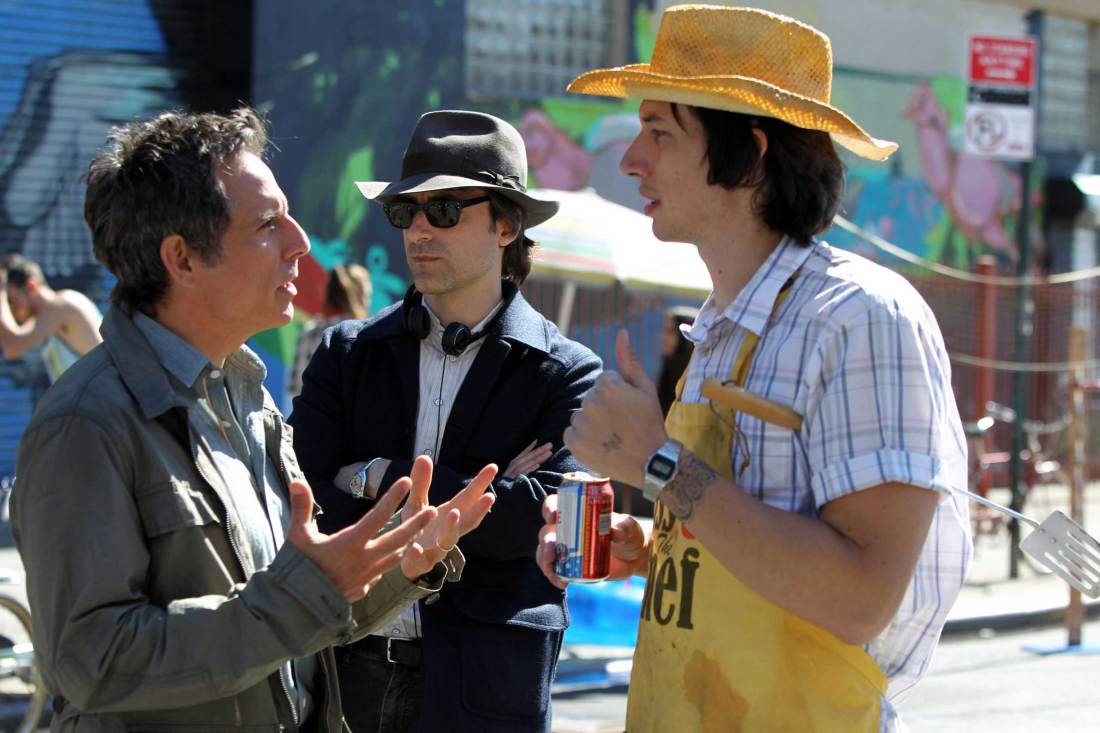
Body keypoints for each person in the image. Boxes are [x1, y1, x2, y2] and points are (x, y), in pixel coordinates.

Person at [535, 6, 972, 733]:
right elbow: (751, 539)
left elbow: (861, 596)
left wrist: (658, 463)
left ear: (752, 153)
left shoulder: (862, 317)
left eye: (660, 130)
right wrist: (652, 552)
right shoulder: (720, 327)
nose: (630, 158)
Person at [11, 107, 498, 732]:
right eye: (269, 224)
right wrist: (308, 590)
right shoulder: (85, 425)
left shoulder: (249, 400)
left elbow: (294, 618)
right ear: (182, 259)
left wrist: (400, 566)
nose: (300, 242)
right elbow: (92, 663)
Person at [291, 110, 602, 733]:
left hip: (486, 688)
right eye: (407, 212)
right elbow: (303, 501)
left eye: (446, 211)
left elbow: (532, 526)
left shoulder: (567, 370)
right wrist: (481, 496)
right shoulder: (345, 353)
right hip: (347, 676)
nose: (418, 231)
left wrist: (376, 475)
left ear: (507, 224)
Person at [0, 253, 103, 381]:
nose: (11, 312)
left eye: (11, 301)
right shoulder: (49, 321)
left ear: (31, 286)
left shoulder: (64, 304)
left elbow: (12, 347)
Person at [289, 262, 373, 398]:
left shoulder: (309, 331)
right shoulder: (364, 334)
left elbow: (294, 389)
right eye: (368, 294)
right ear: (360, 294)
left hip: (307, 415)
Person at [655, 305, 699, 416]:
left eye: (671, 332)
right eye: (664, 330)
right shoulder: (668, 371)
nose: (664, 337)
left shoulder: (696, 377)